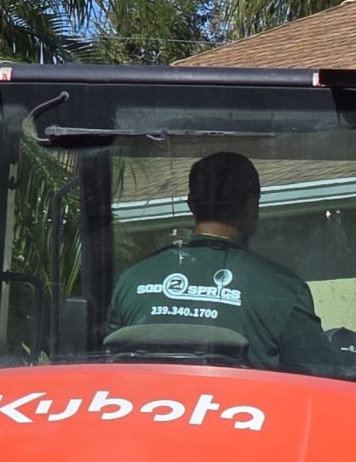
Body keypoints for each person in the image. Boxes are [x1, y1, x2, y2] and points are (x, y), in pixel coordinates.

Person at [109, 150, 334, 374]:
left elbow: (107, 364)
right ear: (251, 206)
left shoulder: (132, 280)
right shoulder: (283, 290)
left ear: (191, 204)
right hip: (246, 410)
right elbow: (321, 376)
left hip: (149, 408)